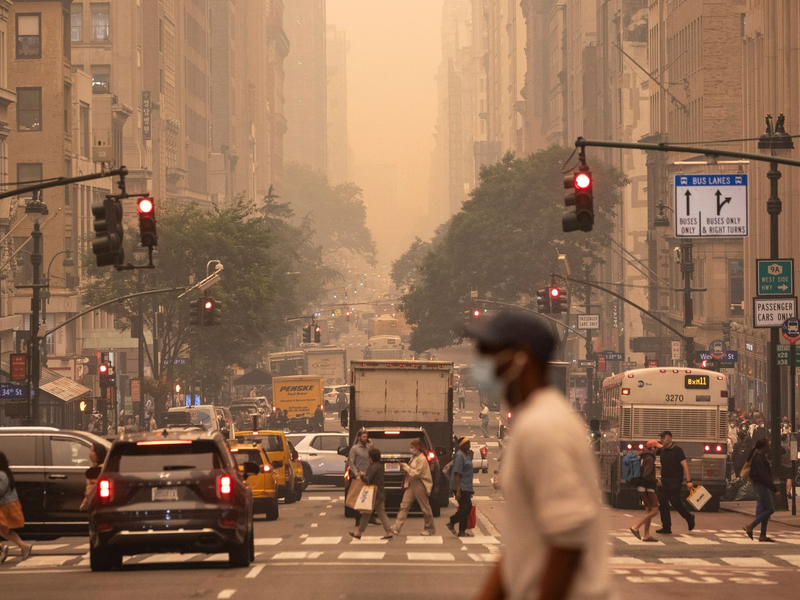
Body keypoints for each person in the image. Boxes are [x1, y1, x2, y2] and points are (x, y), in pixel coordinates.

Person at [469, 310, 611, 600]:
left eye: (491, 356)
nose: (485, 368)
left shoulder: (543, 426)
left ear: (522, 358)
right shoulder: (536, 419)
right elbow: (522, 549)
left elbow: (568, 537)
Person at [391, 439, 435, 536]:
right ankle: (397, 527)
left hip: (420, 484)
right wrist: (406, 467)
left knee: (425, 507)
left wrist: (406, 467)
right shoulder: (413, 457)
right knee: (404, 506)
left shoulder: (422, 459)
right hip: (411, 484)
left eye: (412, 447)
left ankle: (429, 528)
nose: (411, 449)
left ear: (417, 448)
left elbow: (417, 473)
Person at [656, 430, 695, 534]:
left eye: (663, 438)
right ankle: (666, 526)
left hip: (675, 481)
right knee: (663, 501)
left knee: (675, 501)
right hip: (664, 480)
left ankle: (689, 517)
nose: (661, 440)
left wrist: (689, 481)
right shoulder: (663, 451)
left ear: (670, 438)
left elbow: (685, 465)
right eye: (661, 438)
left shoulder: (678, 450)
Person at [350, 448, 393, 540]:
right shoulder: (379, 466)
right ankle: (388, 531)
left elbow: (368, 480)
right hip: (380, 492)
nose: (368, 458)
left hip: (374, 493)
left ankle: (359, 533)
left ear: (372, 457)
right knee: (381, 513)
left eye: (369, 457)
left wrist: (362, 475)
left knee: (366, 513)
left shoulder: (373, 467)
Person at [0, 452, 32, 564]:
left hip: (4, 506)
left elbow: (0, 490)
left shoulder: (2, 475)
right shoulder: (4, 473)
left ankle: (3, 549)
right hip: (4, 505)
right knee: (5, 532)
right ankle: (23, 546)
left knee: (5, 531)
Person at [744, 438, 777, 542]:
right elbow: (763, 475)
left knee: (764, 510)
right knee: (770, 509)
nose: (769, 447)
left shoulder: (759, 457)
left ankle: (763, 535)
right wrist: (774, 489)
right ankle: (750, 526)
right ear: (764, 447)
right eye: (768, 445)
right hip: (761, 486)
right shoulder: (759, 459)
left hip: (761, 485)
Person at [630, 440, 661, 542]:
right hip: (648, 488)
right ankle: (635, 527)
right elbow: (647, 474)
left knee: (649, 511)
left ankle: (646, 535)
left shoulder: (643, 457)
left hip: (642, 487)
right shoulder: (650, 458)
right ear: (652, 448)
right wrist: (656, 480)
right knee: (655, 511)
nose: (657, 450)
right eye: (656, 448)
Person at [447, 436, 474, 537]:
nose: (469, 445)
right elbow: (457, 473)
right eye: (467, 444)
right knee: (467, 507)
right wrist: (458, 489)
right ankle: (452, 521)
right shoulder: (459, 456)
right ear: (462, 445)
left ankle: (462, 531)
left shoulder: (466, 455)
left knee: (464, 508)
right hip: (461, 486)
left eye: (469, 443)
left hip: (466, 486)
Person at [348, 430, 372, 527]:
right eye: (363, 437)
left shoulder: (368, 448)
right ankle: (357, 518)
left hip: (367, 476)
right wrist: (356, 474)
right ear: (359, 438)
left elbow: (371, 460)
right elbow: (351, 462)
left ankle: (367, 518)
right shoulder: (354, 449)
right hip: (358, 477)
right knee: (357, 498)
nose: (365, 438)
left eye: (366, 437)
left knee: (366, 497)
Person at [79, 443, 108, 511]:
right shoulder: (93, 466)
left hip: (97, 502)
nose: (90, 453)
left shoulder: (101, 469)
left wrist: (87, 498)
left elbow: (94, 486)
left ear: (98, 453)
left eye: (92, 451)